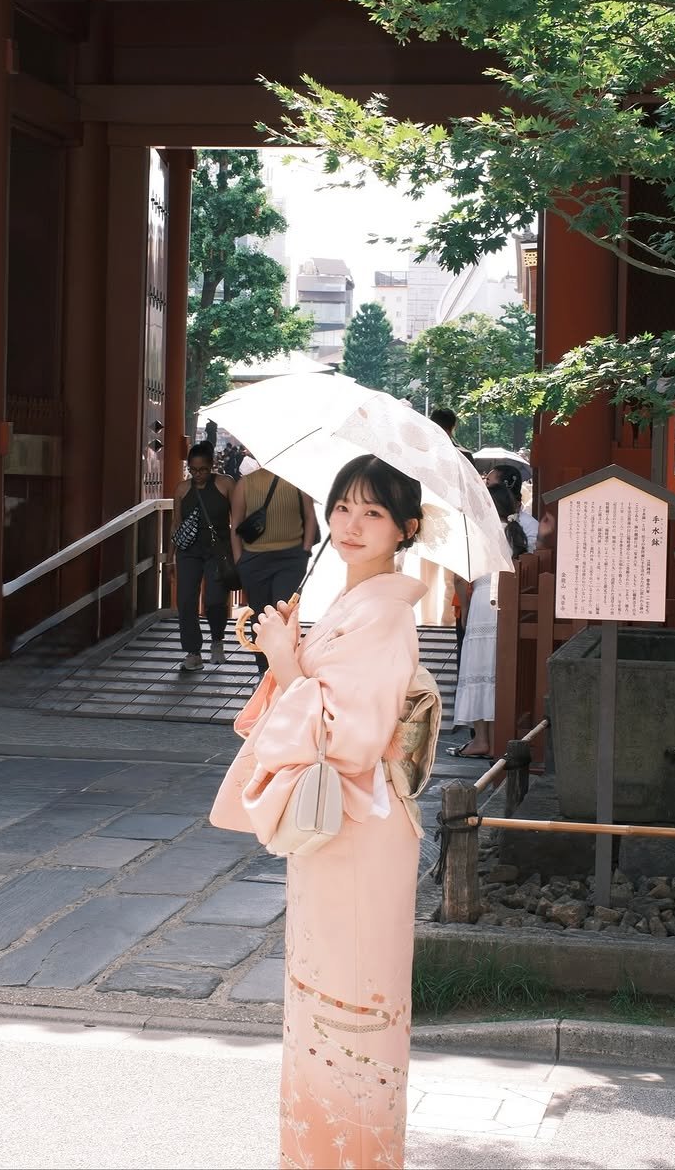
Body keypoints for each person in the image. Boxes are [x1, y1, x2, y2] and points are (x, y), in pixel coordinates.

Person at [210, 455, 429, 1170]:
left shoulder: (387, 615)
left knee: (350, 1003)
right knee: (325, 996)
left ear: (407, 529)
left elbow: (349, 738)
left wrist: (287, 661)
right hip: (342, 828)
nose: (350, 525)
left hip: (360, 829)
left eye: (372, 513)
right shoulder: (353, 603)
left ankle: (349, 1156)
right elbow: (321, 703)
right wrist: (289, 648)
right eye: (341, 508)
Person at [450, 482, 528, 759]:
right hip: (507, 603)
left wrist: (465, 608)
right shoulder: (516, 533)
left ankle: (481, 738)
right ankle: (498, 739)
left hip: (483, 601)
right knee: (497, 672)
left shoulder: (479, 534)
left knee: (477, 668)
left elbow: (461, 577)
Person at [231, 463, 317, 674]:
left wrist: (304, 552)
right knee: (259, 614)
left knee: (283, 614)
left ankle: (283, 670)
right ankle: (263, 669)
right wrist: (239, 560)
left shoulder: (297, 481)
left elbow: (309, 518)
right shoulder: (245, 484)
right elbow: (236, 525)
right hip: (254, 559)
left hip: (290, 559)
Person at [171, 440, 235, 671]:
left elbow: (236, 521)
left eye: (203, 469)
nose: (198, 474)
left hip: (218, 551)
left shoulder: (226, 484)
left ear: (212, 466)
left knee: (215, 599)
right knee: (186, 600)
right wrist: (171, 557)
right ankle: (193, 651)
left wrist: (238, 554)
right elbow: (176, 525)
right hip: (188, 551)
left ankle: (217, 640)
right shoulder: (182, 489)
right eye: (193, 470)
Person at [483, 463, 539, 551]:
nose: (483, 487)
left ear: (501, 489)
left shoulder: (530, 526)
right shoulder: (484, 517)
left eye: (488, 483)